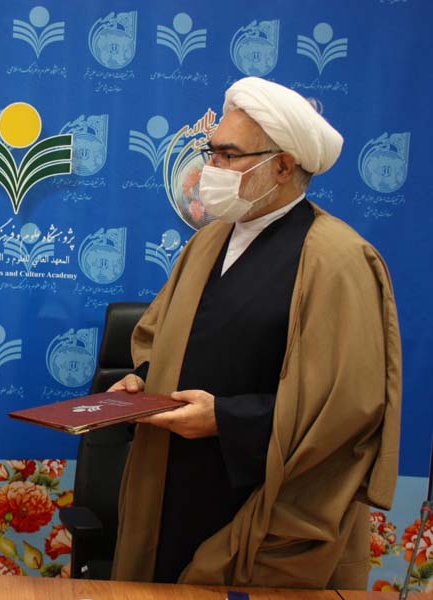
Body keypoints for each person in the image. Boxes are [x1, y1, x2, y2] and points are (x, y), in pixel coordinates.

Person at [110, 76, 401, 589]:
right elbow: (164, 336)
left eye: (228, 155)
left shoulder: (337, 259)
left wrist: (226, 420)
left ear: (283, 166)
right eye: (212, 152)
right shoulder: (208, 242)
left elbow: (345, 410)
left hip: (261, 507)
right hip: (171, 485)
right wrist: (143, 380)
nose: (210, 169)